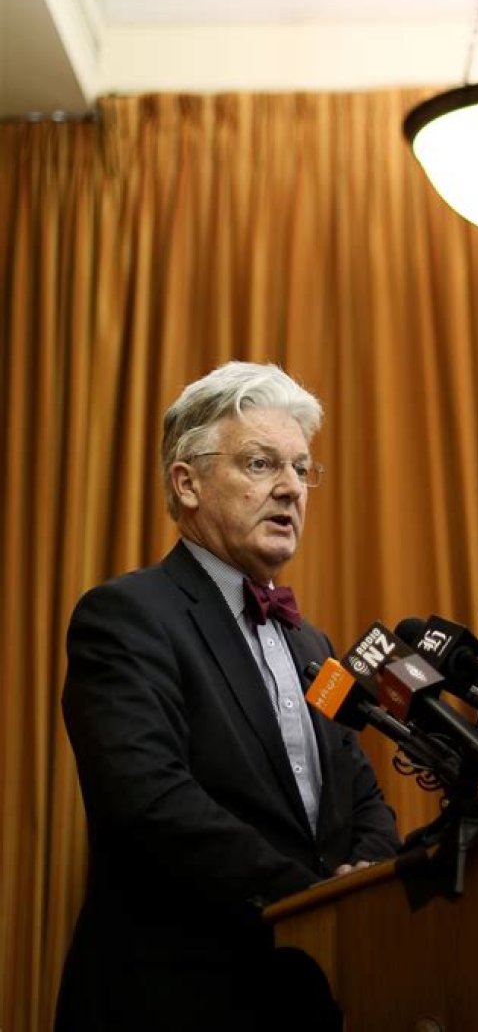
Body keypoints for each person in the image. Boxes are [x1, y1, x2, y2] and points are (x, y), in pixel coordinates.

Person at [55, 361, 400, 1032]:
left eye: (302, 469)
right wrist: (312, 901)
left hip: (309, 999)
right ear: (187, 483)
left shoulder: (314, 646)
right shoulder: (126, 616)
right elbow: (151, 803)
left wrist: (370, 882)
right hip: (177, 998)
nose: (291, 488)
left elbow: (360, 794)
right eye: (261, 464)